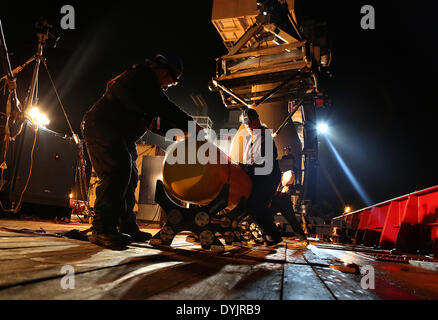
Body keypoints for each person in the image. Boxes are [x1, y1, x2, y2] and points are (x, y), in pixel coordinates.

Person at [81, 53, 199, 249]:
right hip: (101, 128)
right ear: (162, 69)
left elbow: (152, 122)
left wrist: (178, 134)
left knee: (130, 176)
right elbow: (163, 106)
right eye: (170, 80)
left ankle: (127, 225)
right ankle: (102, 228)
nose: (168, 85)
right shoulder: (141, 78)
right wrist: (191, 124)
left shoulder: (145, 91)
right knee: (117, 171)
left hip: (119, 135)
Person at [239, 108, 283, 246]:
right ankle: (268, 235)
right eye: (246, 125)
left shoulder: (266, 138)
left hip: (268, 177)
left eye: (250, 123)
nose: (248, 127)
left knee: (255, 205)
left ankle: (274, 235)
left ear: (257, 120)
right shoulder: (252, 139)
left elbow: (266, 163)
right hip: (258, 176)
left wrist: (248, 168)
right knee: (255, 206)